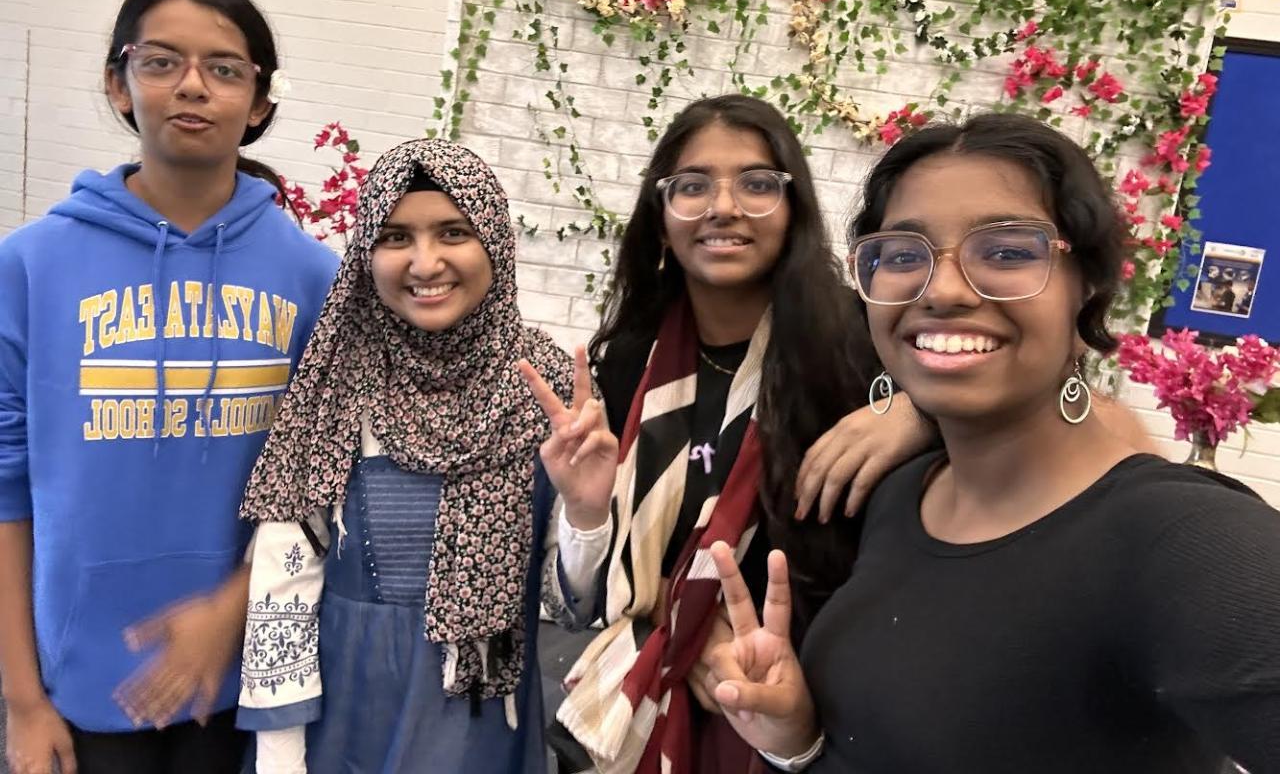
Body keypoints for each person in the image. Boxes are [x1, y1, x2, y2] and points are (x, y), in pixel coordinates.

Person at [705, 113, 1280, 773]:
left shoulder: (1185, 540)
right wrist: (796, 740)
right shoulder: (904, 494)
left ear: (1087, 288)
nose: (943, 290)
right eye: (903, 255)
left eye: (1007, 252)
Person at [520, 94, 937, 774]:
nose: (723, 206)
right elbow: (578, 605)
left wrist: (919, 413)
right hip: (638, 709)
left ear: (793, 211)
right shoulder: (627, 362)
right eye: (693, 186)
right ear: (661, 220)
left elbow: (1001, 408)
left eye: (756, 184)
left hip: (806, 715)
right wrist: (587, 514)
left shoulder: (860, 353)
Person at [0, 0, 337, 774]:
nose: (192, 85)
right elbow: (6, 489)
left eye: (224, 68)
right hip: (78, 686)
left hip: (246, 679)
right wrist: (22, 700)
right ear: (118, 85)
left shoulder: (313, 278)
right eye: (160, 61)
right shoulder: (30, 266)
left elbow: (320, 485)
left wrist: (230, 611)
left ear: (259, 102)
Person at [236, 139, 577, 774]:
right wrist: (280, 755)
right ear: (365, 253)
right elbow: (284, 583)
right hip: (346, 723)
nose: (425, 262)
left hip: (481, 724)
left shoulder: (547, 388)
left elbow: (570, 603)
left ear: (495, 244)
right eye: (395, 237)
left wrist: (589, 514)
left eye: (453, 232)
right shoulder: (335, 386)